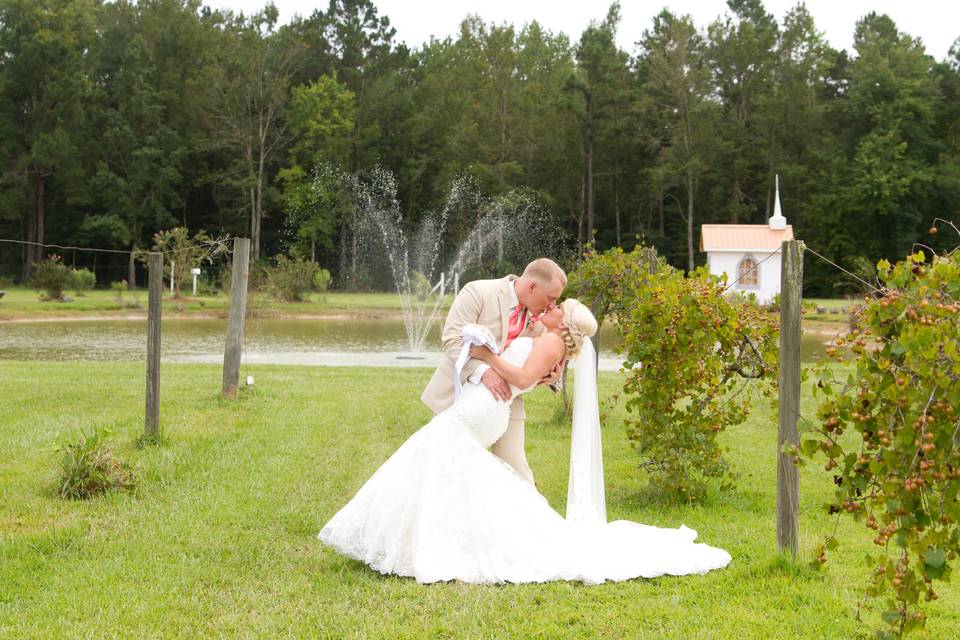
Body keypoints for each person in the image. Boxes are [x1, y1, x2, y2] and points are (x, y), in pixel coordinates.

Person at [319, 299, 731, 584]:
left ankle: (423, 546)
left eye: (558, 308)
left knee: (431, 456)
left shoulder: (550, 341)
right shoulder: (547, 338)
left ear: (562, 323)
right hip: (485, 409)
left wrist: (486, 356)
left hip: (484, 410)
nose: (550, 308)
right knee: (444, 467)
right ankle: (422, 543)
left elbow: (522, 378)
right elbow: (533, 372)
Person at [420, 258, 566, 485]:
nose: (551, 305)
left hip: (506, 401)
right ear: (531, 287)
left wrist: (553, 377)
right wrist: (484, 372)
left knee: (517, 470)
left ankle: (527, 519)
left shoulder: (538, 321)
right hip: (460, 396)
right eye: (551, 298)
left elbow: (542, 357)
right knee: (444, 465)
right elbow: (452, 341)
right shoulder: (478, 292)